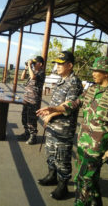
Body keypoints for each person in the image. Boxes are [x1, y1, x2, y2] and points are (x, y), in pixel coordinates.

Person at [37, 56, 108, 206]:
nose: (93, 73)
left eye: (96, 71)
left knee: (83, 178)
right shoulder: (92, 89)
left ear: (107, 73)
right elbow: (74, 104)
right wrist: (54, 108)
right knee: (90, 177)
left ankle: (80, 203)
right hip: (83, 141)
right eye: (93, 70)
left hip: (98, 145)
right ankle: (95, 202)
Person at [37, 51, 83, 200]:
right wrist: (49, 116)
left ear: (70, 65)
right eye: (56, 63)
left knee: (62, 157)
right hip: (53, 125)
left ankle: (63, 186)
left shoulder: (74, 82)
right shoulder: (61, 80)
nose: (57, 66)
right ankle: (52, 176)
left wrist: (50, 114)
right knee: (50, 152)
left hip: (64, 127)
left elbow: (69, 105)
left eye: (61, 63)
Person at [19, 56, 45, 145]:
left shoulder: (41, 73)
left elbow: (33, 77)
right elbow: (22, 78)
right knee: (24, 116)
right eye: (32, 63)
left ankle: (33, 137)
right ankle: (27, 133)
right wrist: (26, 68)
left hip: (33, 100)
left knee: (32, 119)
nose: (33, 64)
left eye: (35, 62)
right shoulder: (32, 71)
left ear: (40, 64)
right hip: (26, 98)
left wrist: (30, 66)